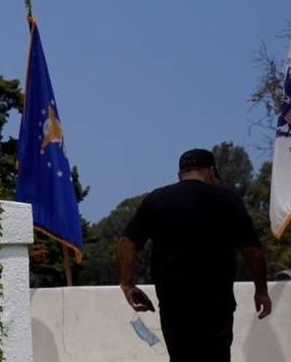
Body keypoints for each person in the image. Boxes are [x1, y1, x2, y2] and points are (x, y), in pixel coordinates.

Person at [117, 148, 272, 361]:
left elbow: (127, 242)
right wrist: (261, 290)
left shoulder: (157, 199)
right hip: (216, 301)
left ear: (180, 173)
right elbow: (252, 250)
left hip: (174, 302)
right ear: (210, 171)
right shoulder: (227, 199)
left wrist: (127, 284)